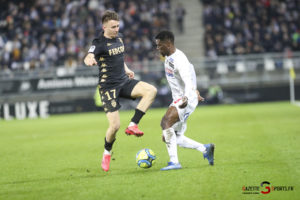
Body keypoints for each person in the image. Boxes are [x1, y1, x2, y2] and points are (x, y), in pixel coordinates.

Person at [84, 10, 157, 172]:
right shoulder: (99, 42)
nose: (116, 29)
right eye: (113, 27)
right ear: (104, 27)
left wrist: (127, 68)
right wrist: (89, 59)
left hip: (123, 81)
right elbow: (89, 54)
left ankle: (133, 125)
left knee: (151, 91)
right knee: (115, 126)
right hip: (108, 87)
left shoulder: (119, 38)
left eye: (118, 26)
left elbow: (119, 57)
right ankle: (107, 152)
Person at [155, 30, 214, 170]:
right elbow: (191, 69)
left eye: (159, 45)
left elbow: (187, 78)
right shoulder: (169, 56)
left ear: (168, 43)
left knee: (165, 122)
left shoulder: (179, 59)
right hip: (180, 98)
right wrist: (195, 90)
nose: (157, 48)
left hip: (184, 99)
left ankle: (174, 163)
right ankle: (205, 149)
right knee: (171, 136)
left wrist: (189, 95)